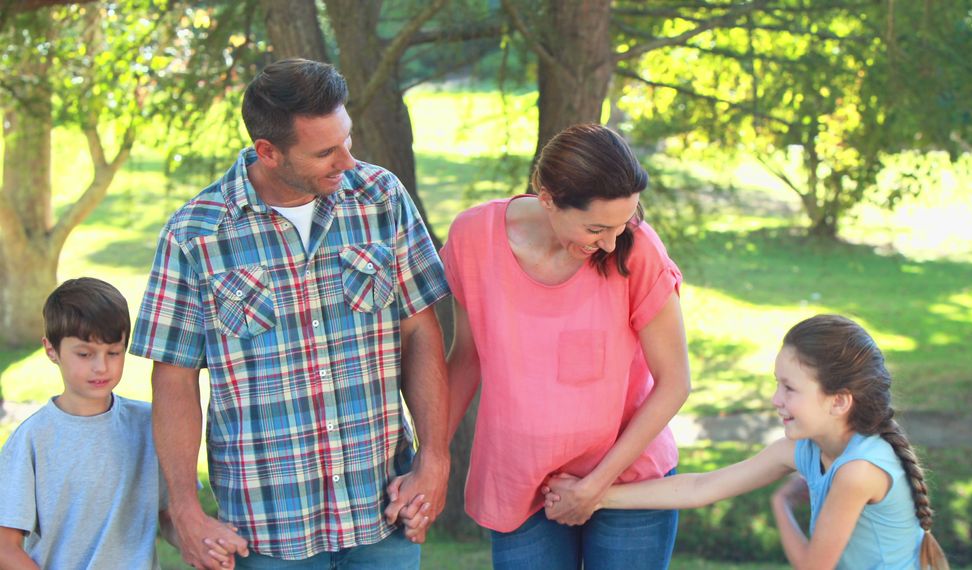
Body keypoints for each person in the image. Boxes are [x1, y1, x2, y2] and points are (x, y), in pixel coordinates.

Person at [129, 58, 450, 569]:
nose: (347, 160)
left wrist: (434, 457)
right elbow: (173, 378)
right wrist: (185, 508)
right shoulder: (195, 234)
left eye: (347, 139)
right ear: (268, 152)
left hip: (383, 509)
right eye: (325, 151)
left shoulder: (381, 198)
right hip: (268, 527)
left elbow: (420, 331)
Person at [441, 123, 692, 569]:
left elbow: (674, 383)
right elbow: (466, 358)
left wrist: (595, 487)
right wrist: (433, 453)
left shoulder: (637, 249)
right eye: (597, 227)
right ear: (548, 197)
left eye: (623, 223)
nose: (611, 242)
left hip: (627, 481)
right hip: (519, 482)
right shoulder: (472, 238)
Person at [546, 314, 951, 570]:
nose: (776, 400)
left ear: (839, 401)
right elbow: (701, 486)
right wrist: (592, 494)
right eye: (778, 384)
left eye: (790, 388)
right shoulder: (807, 450)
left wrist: (779, 505)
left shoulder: (859, 471)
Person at [0, 277, 178, 569]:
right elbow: (5, 547)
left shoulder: (149, 425)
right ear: (51, 350)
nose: (101, 367)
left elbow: (172, 517)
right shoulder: (32, 440)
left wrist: (206, 544)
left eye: (114, 352)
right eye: (84, 354)